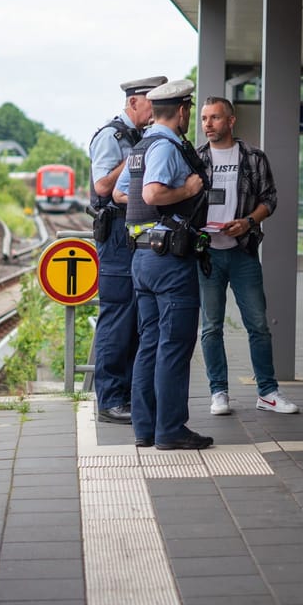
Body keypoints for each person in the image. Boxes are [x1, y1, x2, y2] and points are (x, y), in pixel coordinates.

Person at [116, 79, 213, 451]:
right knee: (173, 345)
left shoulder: (141, 146)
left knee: (150, 344)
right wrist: (187, 192)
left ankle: (146, 428)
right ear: (184, 111)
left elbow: (122, 192)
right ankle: (170, 429)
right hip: (169, 260)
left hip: (142, 256)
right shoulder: (167, 147)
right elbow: (151, 192)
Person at [195, 97, 299, 416]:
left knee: (258, 325)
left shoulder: (253, 157)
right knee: (211, 327)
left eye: (214, 118)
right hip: (207, 253)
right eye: (203, 118)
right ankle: (218, 393)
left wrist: (248, 222)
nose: (208, 124)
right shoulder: (196, 159)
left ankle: (267, 392)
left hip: (243, 253)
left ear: (231, 120)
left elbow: (271, 199)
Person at [86, 75, 167, 425]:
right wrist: (135, 156)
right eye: (151, 103)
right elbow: (103, 185)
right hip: (116, 236)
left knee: (135, 320)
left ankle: (129, 397)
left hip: (133, 234)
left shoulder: (140, 136)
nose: (154, 111)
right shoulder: (112, 137)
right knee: (117, 319)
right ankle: (110, 400)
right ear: (134, 102)